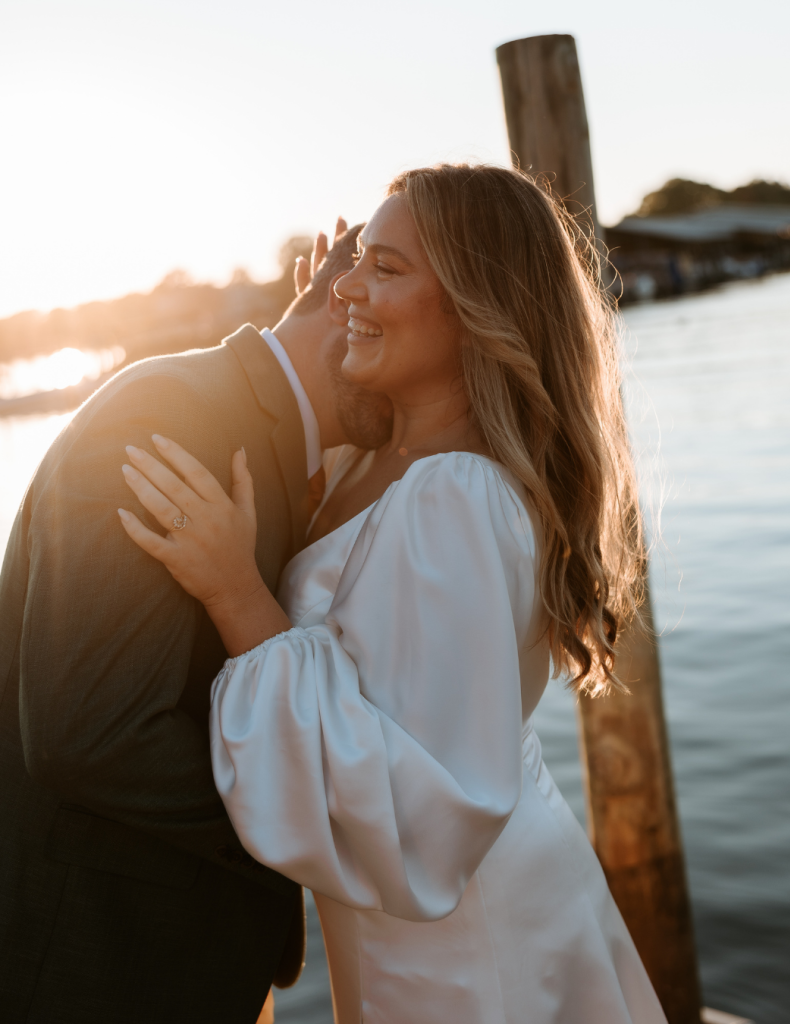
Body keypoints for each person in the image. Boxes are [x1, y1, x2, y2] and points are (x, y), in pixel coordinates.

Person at [119, 164, 667, 1023]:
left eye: (385, 268)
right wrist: (320, 338)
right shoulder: (377, 463)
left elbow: (421, 813)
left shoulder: (456, 495)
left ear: (472, 304)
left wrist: (236, 595)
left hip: (468, 940)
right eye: (352, 263)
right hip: (411, 921)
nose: (346, 287)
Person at [0, 222, 391, 1024]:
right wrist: (302, 819)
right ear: (346, 305)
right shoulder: (171, 418)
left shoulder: (293, 442)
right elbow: (90, 730)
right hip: (95, 969)